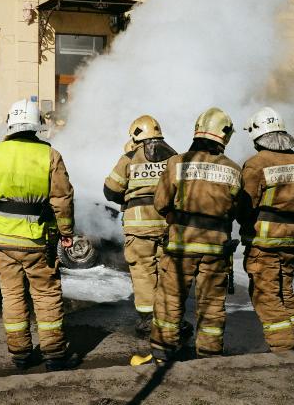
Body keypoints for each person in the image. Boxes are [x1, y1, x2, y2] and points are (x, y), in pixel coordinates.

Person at [0, 99, 80, 371]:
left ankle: (19, 353)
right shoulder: (50, 155)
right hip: (37, 240)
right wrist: (66, 233)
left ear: (11, 124)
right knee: (45, 294)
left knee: (12, 295)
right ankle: (54, 354)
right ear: (37, 125)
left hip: (1, 239)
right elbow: (62, 200)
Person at [133, 107, 241, 365]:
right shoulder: (233, 170)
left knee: (170, 299)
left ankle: (162, 354)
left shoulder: (177, 163)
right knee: (212, 304)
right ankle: (209, 357)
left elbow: (161, 203)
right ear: (223, 136)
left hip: (181, 246)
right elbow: (238, 209)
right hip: (216, 248)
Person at [237, 107, 294, 352]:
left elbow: (245, 204)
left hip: (264, 241)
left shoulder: (256, 163)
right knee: (285, 290)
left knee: (265, 295)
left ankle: (284, 349)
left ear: (257, 135)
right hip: (292, 238)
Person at [103, 115, 178, 336]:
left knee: (143, 272)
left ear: (136, 135)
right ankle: (169, 318)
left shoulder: (129, 158)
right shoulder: (175, 158)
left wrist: (128, 196)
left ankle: (148, 321)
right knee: (166, 271)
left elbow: (110, 190)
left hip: (139, 226)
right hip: (167, 224)